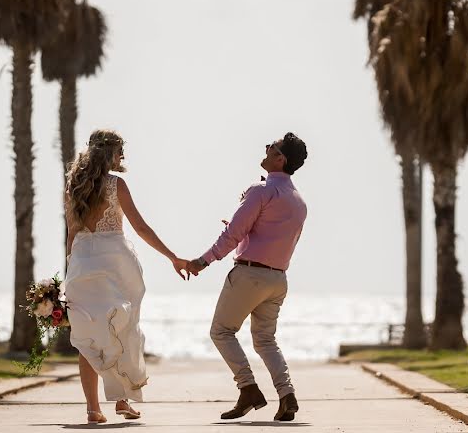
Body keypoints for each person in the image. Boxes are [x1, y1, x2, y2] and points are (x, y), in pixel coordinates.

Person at [62, 129, 190, 424]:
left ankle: (93, 409)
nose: (123, 157)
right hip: (115, 262)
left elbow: (72, 231)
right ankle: (121, 401)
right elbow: (141, 228)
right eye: (120, 151)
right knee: (121, 328)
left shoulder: (73, 187)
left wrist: (71, 269)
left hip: (82, 260)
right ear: (110, 153)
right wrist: (173, 257)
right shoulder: (115, 185)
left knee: (88, 337)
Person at [187, 133, 308, 422]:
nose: (266, 149)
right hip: (278, 280)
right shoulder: (299, 201)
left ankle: (248, 389)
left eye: (272, 147)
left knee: (221, 331)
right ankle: (287, 395)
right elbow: (270, 235)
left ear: (280, 159)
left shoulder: (260, 191)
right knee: (265, 340)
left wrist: (203, 261)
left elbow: (234, 234)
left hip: (249, 275)